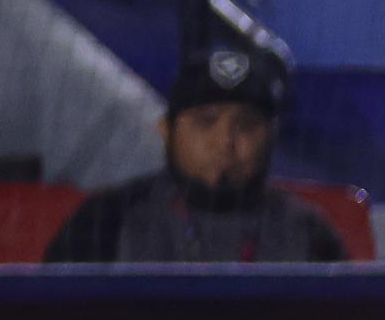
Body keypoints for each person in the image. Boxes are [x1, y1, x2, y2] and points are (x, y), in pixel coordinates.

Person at [44, 41, 348, 264]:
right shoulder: (104, 220)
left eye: (247, 125)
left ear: (271, 137)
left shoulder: (308, 233)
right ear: (167, 130)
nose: (225, 142)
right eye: (206, 122)